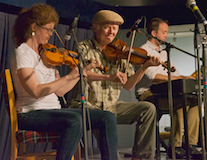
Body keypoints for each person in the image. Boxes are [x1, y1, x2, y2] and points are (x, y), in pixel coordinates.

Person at [11, 4, 118, 160]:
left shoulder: (47, 53)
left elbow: (60, 91)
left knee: (107, 117)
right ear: (34, 27)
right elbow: (35, 91)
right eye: (48, 29)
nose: (50, 34)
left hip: (54, 110)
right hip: (31, 113)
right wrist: (67, 77)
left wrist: (79, 74)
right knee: (74, 120)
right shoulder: (22, 52)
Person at [66, 10, 162, 160]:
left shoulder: (121, 52)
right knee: (105, 118)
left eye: (115, 28)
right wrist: (109, 77)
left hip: (111, 107)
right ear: (95, 27)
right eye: (107, 27)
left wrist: (144, 67)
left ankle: (141, 157)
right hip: (87, 105)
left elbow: (128, 85)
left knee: (148, 108)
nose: (112, 32)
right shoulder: (83, 48)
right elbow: (81, 72)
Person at [135, 17, 201, 158]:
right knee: (177, 101)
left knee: (196, 100)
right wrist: (180, 78)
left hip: (166, 93)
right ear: (153, 33)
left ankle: (189, 143)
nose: (166, 35)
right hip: (148, 93)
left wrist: (187, 78)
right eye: (164, 32)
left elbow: (174, 75)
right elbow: (152, 77)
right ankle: (175, 145)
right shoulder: (143, 51)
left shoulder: (164, 52)